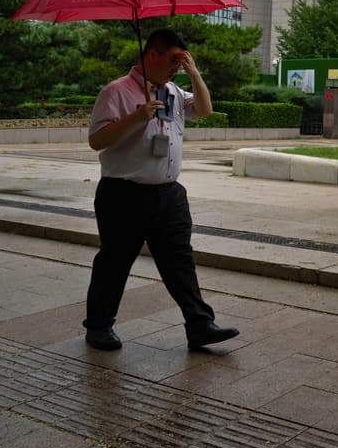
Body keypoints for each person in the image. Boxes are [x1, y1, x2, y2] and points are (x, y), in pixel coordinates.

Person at [83, 28, 239, 351]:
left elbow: (204, 110)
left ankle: (200, 324)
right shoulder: (116, 92)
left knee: (180, 262)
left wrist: (194, 73)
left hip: (168, 194)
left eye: (181, 63)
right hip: (123, 193)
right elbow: (97, 141)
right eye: (172, 60)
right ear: (151, 54)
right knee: (115, 261)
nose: (175, 68)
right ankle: (98, 327)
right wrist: (137, 117)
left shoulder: (174, 92)